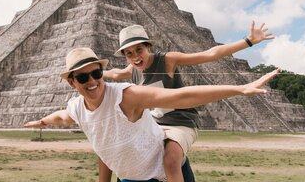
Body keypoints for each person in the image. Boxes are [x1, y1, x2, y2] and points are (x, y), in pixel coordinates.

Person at [24, 47, 278, 182]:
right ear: (72, 83)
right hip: (131, 178)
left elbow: (181, 97)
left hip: (163, 174)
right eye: (82, 77)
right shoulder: (77, 107)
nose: (92, 81)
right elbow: (63, 116)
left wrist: (239, 89)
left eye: (96, 73)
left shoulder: (127, 96)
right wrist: (44, 121)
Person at [103, 22, 274, 181]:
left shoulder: (167, 60)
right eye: (129, 53)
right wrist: (92, 74)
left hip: (179, 123)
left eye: (139, 49)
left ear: (148, 46)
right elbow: (115, 74)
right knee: (126, 152)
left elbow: (209, 54)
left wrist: (248, 41)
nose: (135, 57)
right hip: (153, 126)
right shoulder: (133, 70)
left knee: (170, 160)